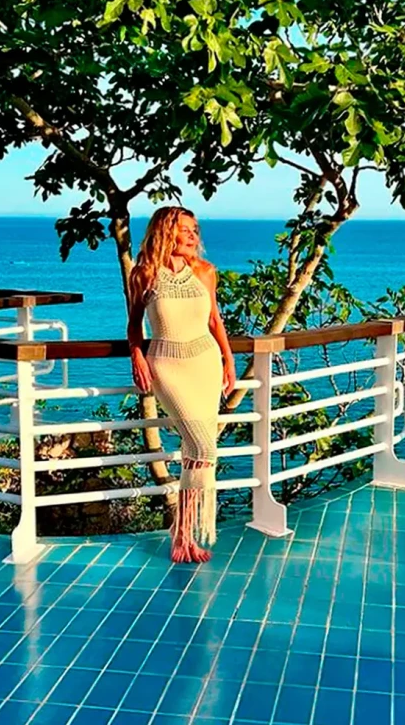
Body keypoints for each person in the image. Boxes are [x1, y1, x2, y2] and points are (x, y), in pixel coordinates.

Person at [127, 206, 236, 563]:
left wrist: (229, 360)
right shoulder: (143, 273)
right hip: (167, 367)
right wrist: (137, 355)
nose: (193, 235)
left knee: (196, 454)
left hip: (204, 362)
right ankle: (182, 532)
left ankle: (184, 535)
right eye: (185, 229)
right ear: (165, 232)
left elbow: (215, 320)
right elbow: (134, 325)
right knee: (204, 448)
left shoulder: (205, 272)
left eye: (195, 229)